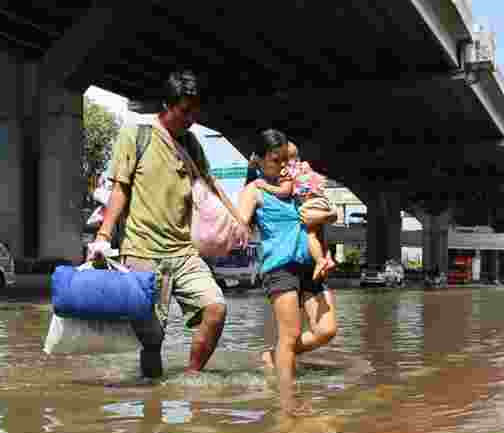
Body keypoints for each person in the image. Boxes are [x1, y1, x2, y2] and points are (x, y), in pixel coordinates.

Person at [89, 69, 237, 379]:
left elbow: (208, 184)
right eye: (185, 111)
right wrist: (103, 236)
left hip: (184, 253)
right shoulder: (136, 135)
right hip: (142, 253)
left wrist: (236, 219)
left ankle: (191, 377)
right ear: (166, 105)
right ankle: (151, 409)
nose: (191, 118)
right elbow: (120, 189)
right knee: (153, 341)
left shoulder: (192, 144)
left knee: (215, 308)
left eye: (195, 110)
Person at [234, 129, 339, 388]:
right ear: (258, 160)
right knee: (289, 335)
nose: (283, 166)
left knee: (326, 330)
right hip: (279, 268)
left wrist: (327, 217)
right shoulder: (254, 191)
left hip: (310, 265)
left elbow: (324, 212)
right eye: (275, 160)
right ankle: (287, 400)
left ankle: (275, 355)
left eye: (286, 160)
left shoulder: (299, 185)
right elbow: (239, 225)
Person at [252, 141, 336, 282]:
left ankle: (320, 260)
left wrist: (265, 186)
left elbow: (285, 191)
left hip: (310, 203)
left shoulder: (287, 171)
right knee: (318, 230)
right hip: (321, 200)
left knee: (310, 234)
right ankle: (328, 257)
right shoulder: (305, 166)